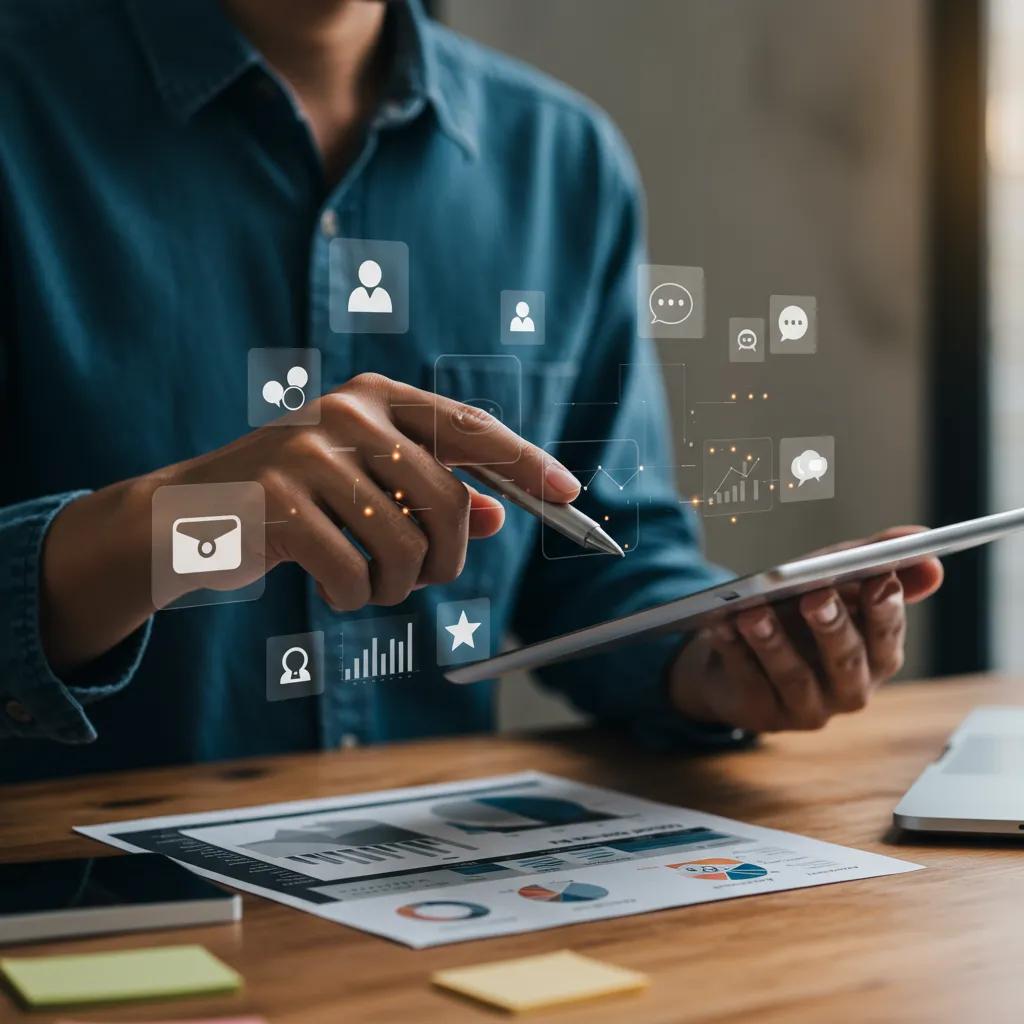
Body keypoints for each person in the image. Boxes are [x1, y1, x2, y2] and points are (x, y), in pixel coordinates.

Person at [0, 0, 942, 781]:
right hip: (87, 918)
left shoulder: (562, 160)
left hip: (426, 904)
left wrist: (716, 660)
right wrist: (176, 523)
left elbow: (602, 557)